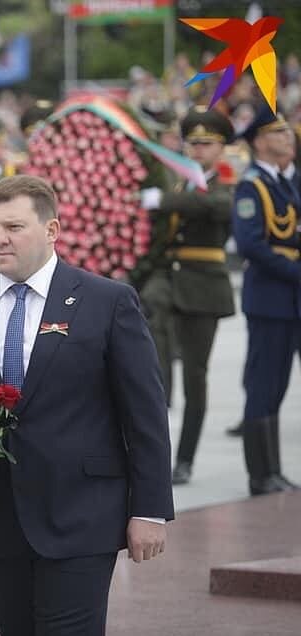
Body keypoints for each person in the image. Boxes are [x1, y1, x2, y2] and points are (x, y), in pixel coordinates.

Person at [0, 175, 174, 636]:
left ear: (52, 230)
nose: (0, 239)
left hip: (81, 514)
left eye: (14, 226)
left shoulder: (106, 302)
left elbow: (145, 413)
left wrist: (149, 510)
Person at [138, 107, 237, 485]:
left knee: (196, 376)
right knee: (155, 365)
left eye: (206, 144)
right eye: (193, 143)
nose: (197, 150)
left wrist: (162, 201)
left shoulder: (225, 179)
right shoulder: (181, 183)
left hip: (204, 287)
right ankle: (158, 440)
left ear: (222, 147)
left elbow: (217, 206)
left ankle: (185, 459)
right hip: (170, 281)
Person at [230, 109, 300, 495]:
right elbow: (251, 244)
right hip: (269, 299)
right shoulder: (251, 187)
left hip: (290, 301)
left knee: (278, 387)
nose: (287, 137)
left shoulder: (287, 184)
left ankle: (273, 470)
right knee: (263, 385)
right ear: (258, 141)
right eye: (278, 132)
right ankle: (260, 474)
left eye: (287, 131)